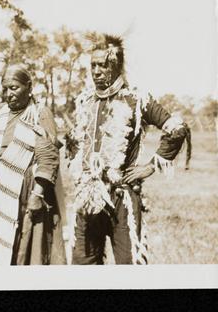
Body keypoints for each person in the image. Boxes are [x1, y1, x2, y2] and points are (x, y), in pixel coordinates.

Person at [65, 34, 189, 265]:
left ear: (117, 65)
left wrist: (150, 167)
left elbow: (177, 128)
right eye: (93, 65)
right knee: (82, 265)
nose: (97, 70)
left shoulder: (137, 100)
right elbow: (75, 142)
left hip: (122, 196)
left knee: (128, 266)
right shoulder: (86, 101)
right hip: (87, 198)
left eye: (104, 64)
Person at [0, 64, 66, 266]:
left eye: (14, 88)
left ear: (29, 86)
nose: (9, 94)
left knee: (18, 253)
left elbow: (48, 156)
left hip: (23, 198)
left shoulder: (39, 113)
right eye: (5, 88)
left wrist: (37, 195)